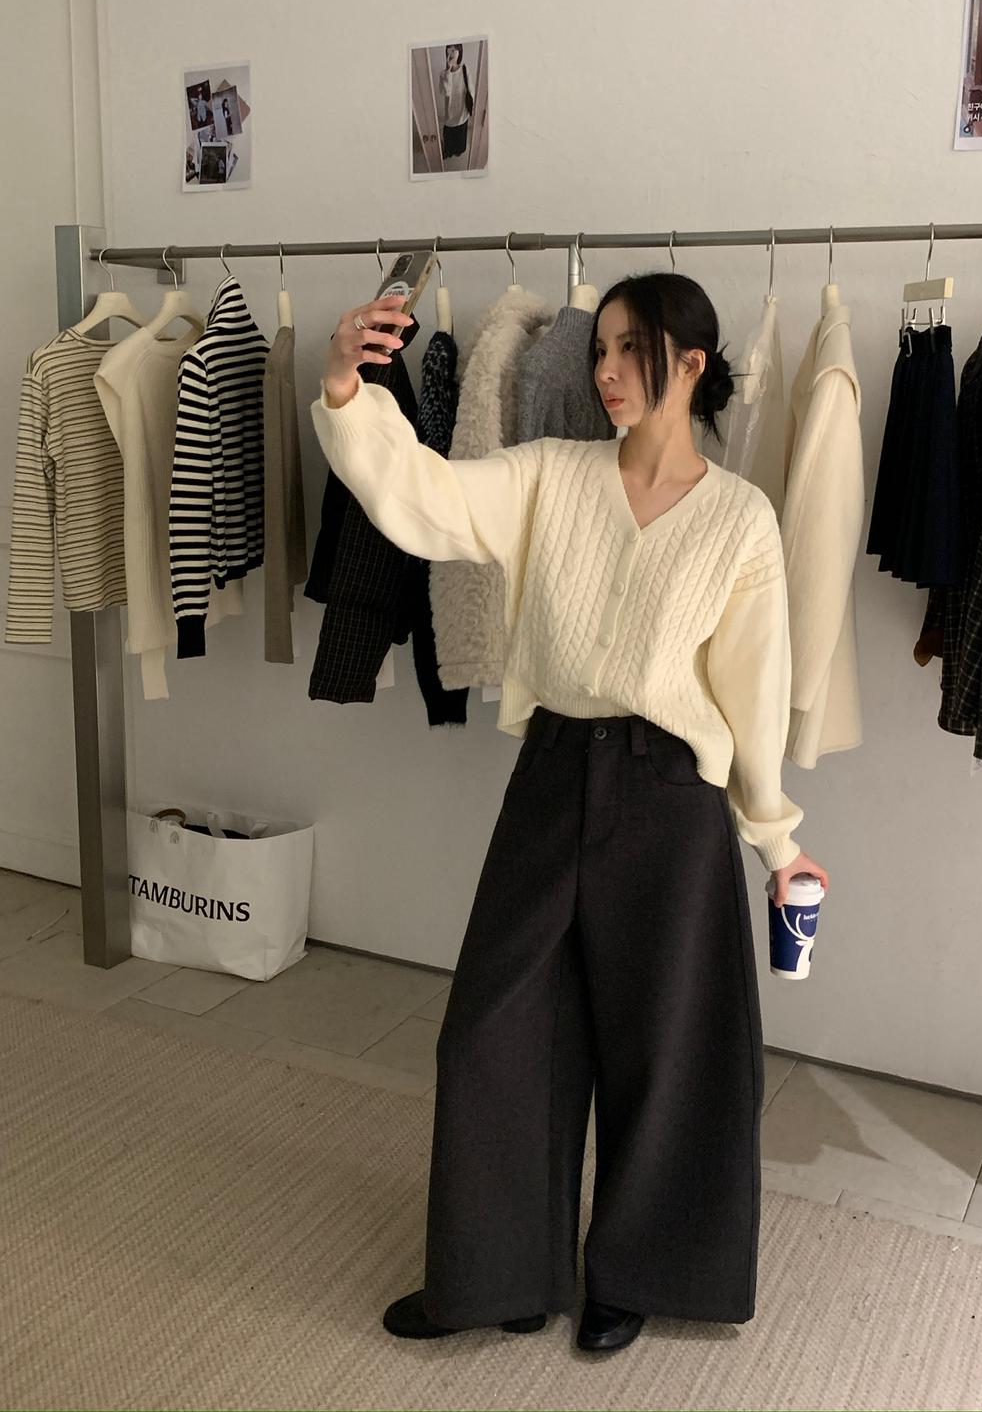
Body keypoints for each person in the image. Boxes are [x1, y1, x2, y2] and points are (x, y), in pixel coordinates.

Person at [313, 271, 830, 1353]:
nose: (605, 370)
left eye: (631, 348)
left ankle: (633, 1273)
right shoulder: (550, 473)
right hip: (554, 772)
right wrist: (347, 389)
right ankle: (499, 1273)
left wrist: (777, 841)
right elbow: (427, 498)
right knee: (493, 1031)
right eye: (601, 348)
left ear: (692, 363)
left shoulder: (740, 519)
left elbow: (752, 690)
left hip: (672, 798)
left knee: (669, 1045)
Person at [439, 42, 473, 161]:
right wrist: (448, 71)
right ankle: (448, 152)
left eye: (454, 50)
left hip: (462, 112)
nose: (451, 53)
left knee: (460, 139)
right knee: (448, 135)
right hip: (449, 113)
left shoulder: (465, 69)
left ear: (460, 52)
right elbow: (446, 92)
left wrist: (472, 109)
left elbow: (471, 90)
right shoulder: (443, 74)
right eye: (449, 50)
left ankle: (458, 151)